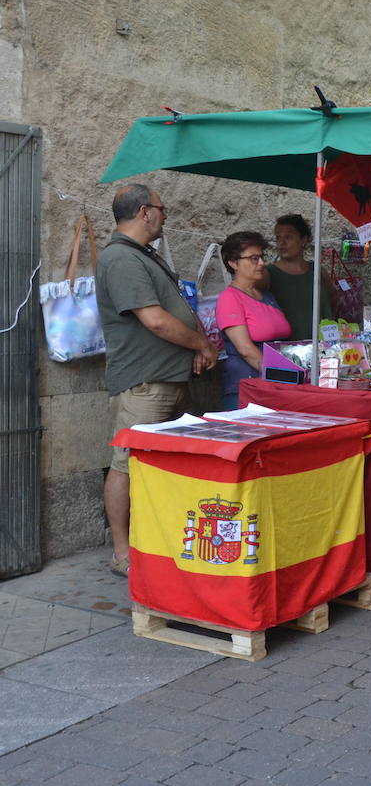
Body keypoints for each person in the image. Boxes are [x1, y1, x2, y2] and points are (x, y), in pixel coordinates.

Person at [95, 184, 218, 576]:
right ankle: (122, 554)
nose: (166, 216)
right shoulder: (121, 259)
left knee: (163, 467)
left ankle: (156, 542)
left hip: (169, 379)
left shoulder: (142, 255)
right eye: (162, 210)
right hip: (146, 383)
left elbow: (176, 307)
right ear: (145, 212)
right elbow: (155, 320)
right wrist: (200, 342)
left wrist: (199, 345)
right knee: (126, 464)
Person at [216, 231, 292, 411]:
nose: (261, 263)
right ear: (233, 263)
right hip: (248, 386)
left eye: (261, 257)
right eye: (253, 258)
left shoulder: (267, 296)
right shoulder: (230, 298)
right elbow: (245, 349)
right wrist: (282, 375)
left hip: (273, 383)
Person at [266, 214, 332, 340]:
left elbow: (333, 298)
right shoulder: (269, 273)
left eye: (288, 237)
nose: (282, 243)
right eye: (278, 238)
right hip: (288, 349)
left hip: (323, 347)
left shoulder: (317, 270)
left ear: (304, 239)